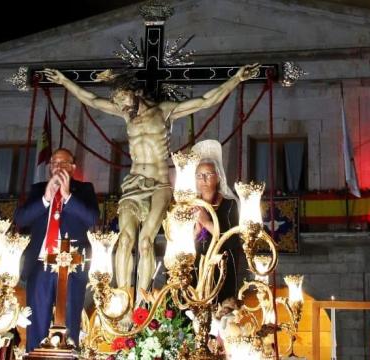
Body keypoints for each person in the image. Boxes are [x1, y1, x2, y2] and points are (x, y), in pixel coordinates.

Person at [43, 64, 259, 302]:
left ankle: (142, 300)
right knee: (124, 240)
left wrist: (236, 79)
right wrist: (65, 82)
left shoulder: (164, 111)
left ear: (134, 93)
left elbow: (206, 100)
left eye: (123, 99)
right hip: (134, 183)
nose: (121, 106)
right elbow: (92, 100)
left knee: (146, 241)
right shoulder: (127, 113)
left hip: (159, 183)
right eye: (118, 102)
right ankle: (122, 298)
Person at [14, 148, 99, 352]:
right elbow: (21, 219)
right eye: (54, 163)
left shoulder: (84, 189)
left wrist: (67, 196)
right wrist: (46, 198)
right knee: (37, 323)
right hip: (41, 263)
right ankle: (35, 354)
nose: (58, 167)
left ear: (72, 167)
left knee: (70, 323)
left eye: (63, 163)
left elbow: (92, 219)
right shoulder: (38, 190)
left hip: (72, 266)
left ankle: (69, 355)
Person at [191, 139, 244, 303]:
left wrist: (207, 222)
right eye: (199, 175)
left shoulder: (229, 204)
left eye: (208, 174)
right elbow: (180, 240)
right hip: (196, 263)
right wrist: (196, 231)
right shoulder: (191, 205)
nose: (203, 179)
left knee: (222, 309)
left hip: (222, 265)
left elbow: (233, 239)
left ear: (218, 177)